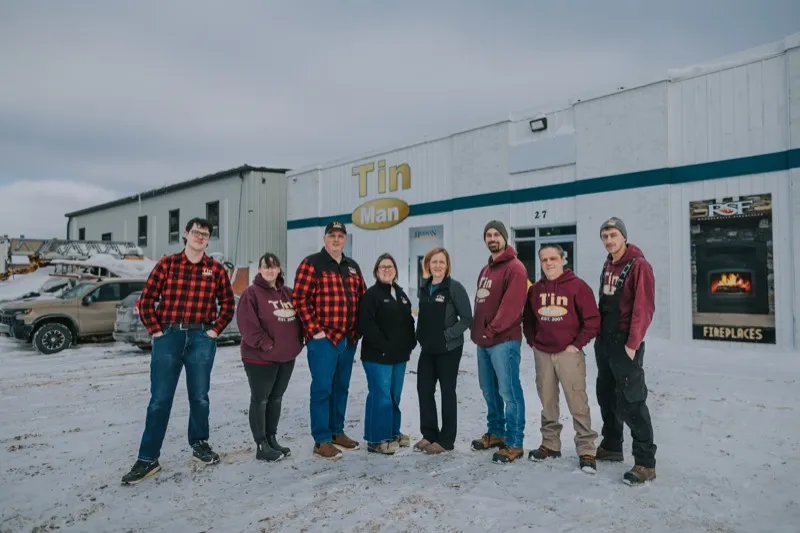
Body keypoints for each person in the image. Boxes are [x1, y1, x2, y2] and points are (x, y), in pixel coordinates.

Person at [122, 217, 235, 485]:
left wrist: (213, 331)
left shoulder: (215, 269)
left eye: (205, 234)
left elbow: (228, 304)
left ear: (208, 239)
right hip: (169, 337)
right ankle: (148, 458)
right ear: (186, 234)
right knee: (160, 399)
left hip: (201, 337)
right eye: (196, 232)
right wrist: (157, 331)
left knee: (200, 398)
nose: (199, 237)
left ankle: (199, 444)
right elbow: (147, 299)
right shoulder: (167, 265)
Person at [292, 220, 367, 460]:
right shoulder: (312, 263)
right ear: (325, 239)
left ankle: (337, 431)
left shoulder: (352, 267)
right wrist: (315, 330)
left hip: (348, 338)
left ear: (345, 240)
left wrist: (360, 330)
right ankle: (321, 439)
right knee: (323, 388)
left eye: (340, 236)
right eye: (332, 235)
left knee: (341, 387)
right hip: (324, 339)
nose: (336, 239)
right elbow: (300, 299)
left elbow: (362, 298)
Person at [522, 244, 600, 474]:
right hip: (543, 353)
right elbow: (528, 319)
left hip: (568, 354)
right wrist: (533, 341)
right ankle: (550, 444)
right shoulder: (535, 290)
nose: (548, 263)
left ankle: (586, 449)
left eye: (553, 258)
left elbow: (593, 320)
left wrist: (576, 345)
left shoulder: (578, 287)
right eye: (544, 259)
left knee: (577, 402)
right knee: (547, 402)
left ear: (563, 259)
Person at [595, 217, 657, 485]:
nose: (609, 240)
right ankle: (611, 445)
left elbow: (644, 308)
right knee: (606, 393)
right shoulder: (609, 264)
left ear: (623, 237)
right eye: (605, 236)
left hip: (624, 343)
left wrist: (632, 343)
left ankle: (645, 462)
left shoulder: (639, 265)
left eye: (613, 235)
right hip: (605, 341)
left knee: (632, 400)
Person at [470, 220, 529, 464]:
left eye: (496, 234)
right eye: (488, 235)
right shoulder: (486, 270)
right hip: (484, 342)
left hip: (504, 341)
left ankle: (514, 442)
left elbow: (511, 308)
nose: (492, 238)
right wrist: (479, 333)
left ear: (505, 237)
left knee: (509, 391)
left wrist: (490, 331)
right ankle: (496, 433)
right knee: (488, 389)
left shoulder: (515, 268)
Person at [236, 253, 304, 462]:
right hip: (260, 358)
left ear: (279, 270)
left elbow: (301, 317)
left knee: (276, 399)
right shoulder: (251, 294)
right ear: (259, 269)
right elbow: (247, 326)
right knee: (261, 399)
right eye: (266, 267)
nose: (270, 270)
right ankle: (261, 444)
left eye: (274, 267)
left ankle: (272, 439)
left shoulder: (288, 293)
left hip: (286, 357)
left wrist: (298, 342)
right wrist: (266, 344)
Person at [357, 253, 417, 454]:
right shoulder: (371, 295)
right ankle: (376, 439)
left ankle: (392, 432)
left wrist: (411, 342)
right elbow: (367, 325)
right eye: (382, 266)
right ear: (376, 271)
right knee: (380, 396)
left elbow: (408, 321)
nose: (386, 269)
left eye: (390, 266)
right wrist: (384, 346)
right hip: (377, 357)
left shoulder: (399, 293)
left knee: (394, 396)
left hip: (398, 357)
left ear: (396, 270)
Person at [414, 247, 472, 454]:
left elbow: (466, 318)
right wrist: (419, 335)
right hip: (428, 349)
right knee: (424, 389)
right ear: (428, 264)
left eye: (441, 262)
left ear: (447, 265)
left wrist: (448, 335)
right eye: (434, 262)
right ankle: (429, 434)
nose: (437, 266)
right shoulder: (425, 287)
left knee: (447, 392)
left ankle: (446, 440)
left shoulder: (454, 287)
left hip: (449, 349)